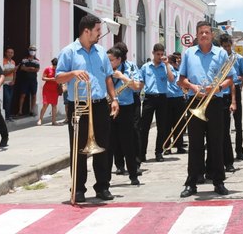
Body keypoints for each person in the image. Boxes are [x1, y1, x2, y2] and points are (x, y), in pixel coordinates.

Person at [56, 14, 120, 203]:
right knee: (78, 148)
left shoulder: (101, 52)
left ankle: (102, 186)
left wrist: (114, 98)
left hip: (100, 105)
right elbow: (58, 77)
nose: (100, 33)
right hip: (79, 105)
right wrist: (73, 73)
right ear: (87, 31)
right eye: (98, 30)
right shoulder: (69, 52)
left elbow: (108, 76)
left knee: (102, 147)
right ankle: (78, 188)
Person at [177, 21, 234, 198]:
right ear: (197, 35)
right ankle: (191, 183)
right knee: (195, 144)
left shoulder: (221, 53)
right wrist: (193, 87)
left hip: (215, 102)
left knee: (216, 143)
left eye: (207, 32)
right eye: (201, 32)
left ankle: (218, 181)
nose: (204, 35)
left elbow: (230, 79)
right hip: (195, 101)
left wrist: (217, 88)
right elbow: (181, 79)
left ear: (212, 35)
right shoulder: (189, 54)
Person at [107, 46, 143, 186]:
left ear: (118, 59)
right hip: (109, 106)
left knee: (128, 143)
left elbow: (137, 86)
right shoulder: (105, 68)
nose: (108, 62)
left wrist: (122, 77)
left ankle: (133, 175)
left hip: (126, 107)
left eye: (111, 60)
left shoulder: (130, 67)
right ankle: (106, 180)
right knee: (109, 144)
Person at [138, 43, 174, 163]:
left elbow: (171, 79)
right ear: (153, 53)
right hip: (149, 98)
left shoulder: (166, 66)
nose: (159, 56)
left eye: (161, 54)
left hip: (162, 98)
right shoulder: (145, 67)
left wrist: (167, 64)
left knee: (162, 127)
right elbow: (140, 83)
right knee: (144, 127)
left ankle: (159, 152)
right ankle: (141, 153)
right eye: (157, 54)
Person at [220, 34, 243, 161]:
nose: (226, 48)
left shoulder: (239, 58)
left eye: (228, 46)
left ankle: (239, 150)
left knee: (238, 122)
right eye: (224, 46)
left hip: (235, 88)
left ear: (231, 45)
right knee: (224, 124)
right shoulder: (219, 58)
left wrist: (237, 78)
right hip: (223, 89)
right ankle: (225, 151)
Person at [163, 54, 187, 155]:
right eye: (176, 61)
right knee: (168, 123)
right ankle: (167, 146)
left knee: (179, 123)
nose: (178, 63)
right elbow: (172, 79)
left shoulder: (178, 70)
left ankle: (179, 145)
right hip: (169, 98)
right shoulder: (168, 69)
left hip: (178, 98)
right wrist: (167, 65)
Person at [16, 45, 40, 116]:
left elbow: (37, 69)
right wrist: (31, 68)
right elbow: (22, 68)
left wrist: (28, 68)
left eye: (34, 50)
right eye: (31, 50)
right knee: (23, 95)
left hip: (33, 81)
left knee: (34, 95)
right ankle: (20, 111)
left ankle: (32, 110)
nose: (32, 51)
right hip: (24, 80)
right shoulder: (24, 59)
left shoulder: (37, 61)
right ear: (29, 50)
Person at [37, 57, 60, 126]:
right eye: (55, 66)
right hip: (47, 89)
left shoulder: (59, 70)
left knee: (54, 105)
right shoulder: (47, 69)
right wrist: (51, 79)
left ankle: (54, 121)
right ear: (53, 64)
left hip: (55, 89)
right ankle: (40, 119)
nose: (56, 67)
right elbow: (43, 78)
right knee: (45, 104)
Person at [2, 47, 16, 122]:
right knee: (7, 100)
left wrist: (14, 81)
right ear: (5, 53)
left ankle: (8, 115)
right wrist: (12, 70)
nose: (10, 54)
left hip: (11, 84)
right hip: (4, 84)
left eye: (12, 52)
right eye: (8, 52)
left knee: (10, 100)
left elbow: (14, 73)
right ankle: (7, 116)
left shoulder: (13, 62)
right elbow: (3, 73)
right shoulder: (3, 61)